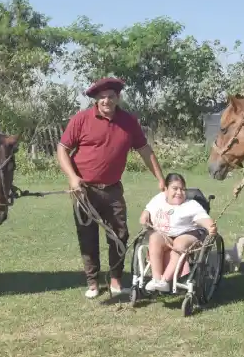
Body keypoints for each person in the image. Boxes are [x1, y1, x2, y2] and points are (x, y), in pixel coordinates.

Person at [57, 76, 166, 299]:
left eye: (111, 97)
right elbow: (62, 149)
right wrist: (72, 178)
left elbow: (145, 150)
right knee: (87, 236)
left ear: (118, 98)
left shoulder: (129, 122)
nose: (106, 101)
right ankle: (93, 283)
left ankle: (116, 281)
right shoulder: (81, 119)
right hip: (84, 190)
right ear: (96, 99)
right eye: (102, 97)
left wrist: (161, 178)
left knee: (120, 234)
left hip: (113, 189)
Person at [139, 172, 217, 292]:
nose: (179, 193)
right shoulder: (159, 199)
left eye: (182, 189)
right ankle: (156, 279)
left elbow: (204, 219)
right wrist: (144, 216)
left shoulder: (191, 205)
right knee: (154, 238)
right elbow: (147, 210)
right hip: (165, 235)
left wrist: (210, 226)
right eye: (175, 189)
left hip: (189, 234)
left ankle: (165, 281)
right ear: (165, 189)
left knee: (179, 244)